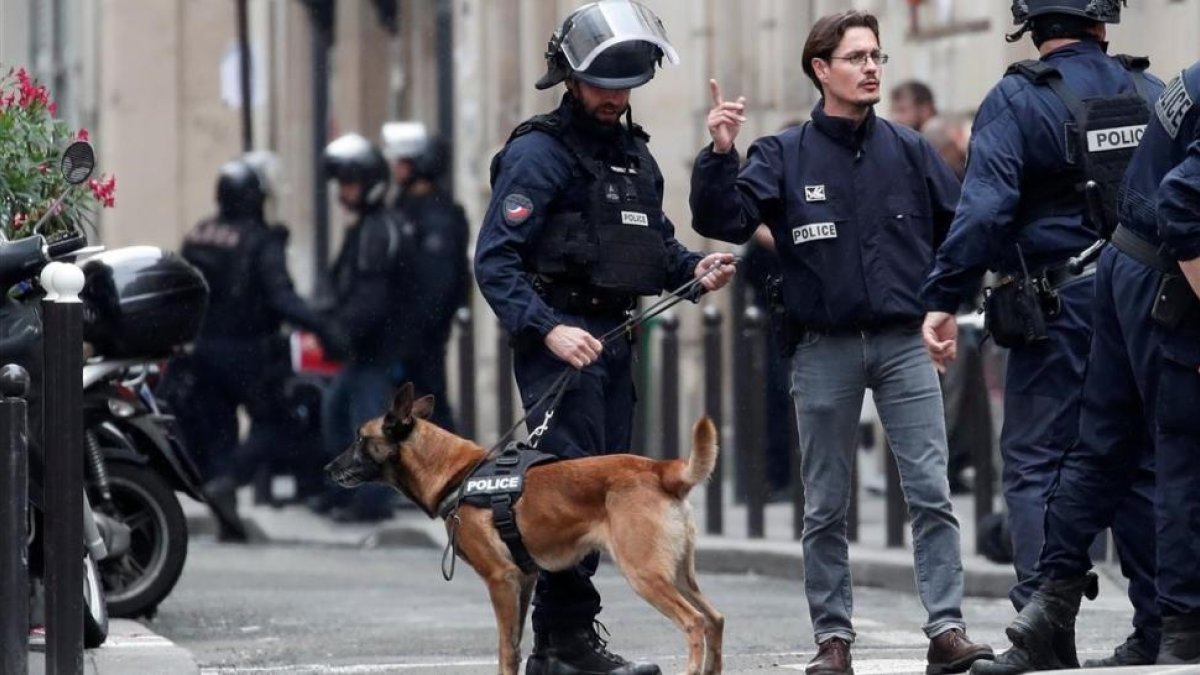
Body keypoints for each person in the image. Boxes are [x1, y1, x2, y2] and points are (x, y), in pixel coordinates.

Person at [690, 10, 992, 675]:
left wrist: (944, 307)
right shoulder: (783, 154)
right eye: (857, 57)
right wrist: (718, 154)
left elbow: (966, 230)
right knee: (825, 504)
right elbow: (722, 217)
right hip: (821, 346)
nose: (871, 68)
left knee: (931, 491)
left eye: (877, 57)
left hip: (902, 343)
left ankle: (946, 628)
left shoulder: (910, 151)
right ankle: (834, 638)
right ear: (821, 69)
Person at [473, 2, 735, 672]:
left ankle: (566, 641)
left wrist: (694, 270)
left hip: (615, 339)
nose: (615, 98)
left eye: (624, 86)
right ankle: (563, 644)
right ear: (570, 80)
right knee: (573, 492)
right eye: (601, 86)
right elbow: (495, 261)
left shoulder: (632, 156)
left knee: (611, 491)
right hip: (558, 342)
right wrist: (549, 328)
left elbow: (656, 245)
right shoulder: (537, 153)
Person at [920, 0, 1164, 666]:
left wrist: (944, 298)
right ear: (1102, 23)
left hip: (1058, 306)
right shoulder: (1151, 90)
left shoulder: (1017, 100)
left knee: (1036, 463)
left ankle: (1045, 622)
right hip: (1145, 302)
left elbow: (983, 212)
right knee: (1140, 462)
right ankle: (1161, 625)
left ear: (1031, 23)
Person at [974, 59, 1200, 673]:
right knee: (1179, 456)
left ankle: (1049, 606)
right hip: (1165, 277)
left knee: (1102, 447)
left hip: (1125, 266)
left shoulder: (1190, 76)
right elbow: (1186, 202)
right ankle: (1183, 633)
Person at [166, 151, 342, 539]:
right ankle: (229, 483)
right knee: (277, 420)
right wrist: (323, 327)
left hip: (201, 350)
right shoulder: (261, 242)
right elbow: (282, 298)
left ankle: (227, 516)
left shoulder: (199, 235)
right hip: (248, 351)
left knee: (220, 431)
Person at [315, 132, 416, 523]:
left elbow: (371, 297)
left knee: (368, 425)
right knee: (338, 414)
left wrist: (342, 330)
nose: (344, 192)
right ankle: (346, 493)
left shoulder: (380, 230)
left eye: (350, 183)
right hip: (363, 351)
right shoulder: (370, 227)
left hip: (377, 350)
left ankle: (371, 501)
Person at [380, 121, 470, 430]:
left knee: (430, 405)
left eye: (402, 163)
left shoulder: (436, 215)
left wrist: (416, 330)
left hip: (421, 334)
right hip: (403, 331)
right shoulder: (405, 205)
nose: (396, 169)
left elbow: (437, 282)